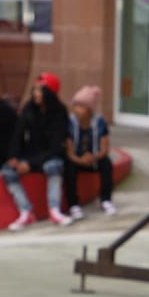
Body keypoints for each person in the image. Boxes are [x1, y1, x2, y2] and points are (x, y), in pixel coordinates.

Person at [1, 72, 73, 231]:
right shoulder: (29, 108)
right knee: (7, 171)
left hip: (50, 156)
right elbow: (18, 134)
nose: (35, 94)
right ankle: (26, 211)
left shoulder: (60, 112)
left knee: (52, 167)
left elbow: (56, 146)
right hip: (30, 154)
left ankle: (54, 210)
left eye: (39, 90)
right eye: (34, 90)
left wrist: (30, 164)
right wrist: (13, 157)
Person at [62, 84, 115, 219]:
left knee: (106, 163)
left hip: (94, 158)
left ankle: (105, 200)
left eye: (81, 106)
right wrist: (80, 159)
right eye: (75, 106)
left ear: (90, 109)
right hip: (76, 159)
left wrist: (93, 157)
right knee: (68, 167)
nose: (77, 110)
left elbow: (105, 149)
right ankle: (74, 205)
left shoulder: (99, 121)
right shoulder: (70, 122)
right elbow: (69, 151)